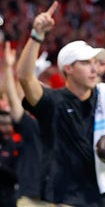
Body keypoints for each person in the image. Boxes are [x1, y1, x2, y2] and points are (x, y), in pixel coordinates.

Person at [16, 2, 105, 207]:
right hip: (69, 198)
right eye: (86, 63)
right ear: (68, 68)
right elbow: (25, 77)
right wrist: (36, 35)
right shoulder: (53, 101)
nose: (94, 69)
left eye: (95, 63)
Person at [3, 41, 48, 207]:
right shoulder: (32, 126)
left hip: (55, 197)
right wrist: (8, 68)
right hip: (30, 197)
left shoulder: (62, 122)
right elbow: (15, 101)